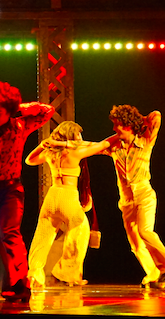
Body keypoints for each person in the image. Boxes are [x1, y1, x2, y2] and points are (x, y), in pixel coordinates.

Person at [0, 81, 55, 302]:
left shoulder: (20, 126)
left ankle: (21, 282)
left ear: (9, 111)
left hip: (10, 189)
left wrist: (19, 109)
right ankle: (7, 285)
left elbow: (47, 111)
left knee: (10, 234)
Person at [25, 121, 114, 288]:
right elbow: (104, 144)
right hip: (68, 196)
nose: (81, 138)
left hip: (52, 196)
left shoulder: (50, 153)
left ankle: (34, 274)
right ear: (72, 136)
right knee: (81, 229)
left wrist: (42, 145)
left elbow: (29, 160)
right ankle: (66, 272)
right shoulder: (75, 152)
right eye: (78, 135)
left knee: (42, 237)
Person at [105, 105, 165, 288]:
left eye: (117, 124)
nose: (114, 129)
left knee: (145, 231)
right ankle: (155, 274)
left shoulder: (145, 141)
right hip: (126, 200)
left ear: (127, 125)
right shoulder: (115, 146)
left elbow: (157, 115)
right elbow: (94, 147)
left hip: (144, 194)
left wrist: (138, 120)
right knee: (136, 244)